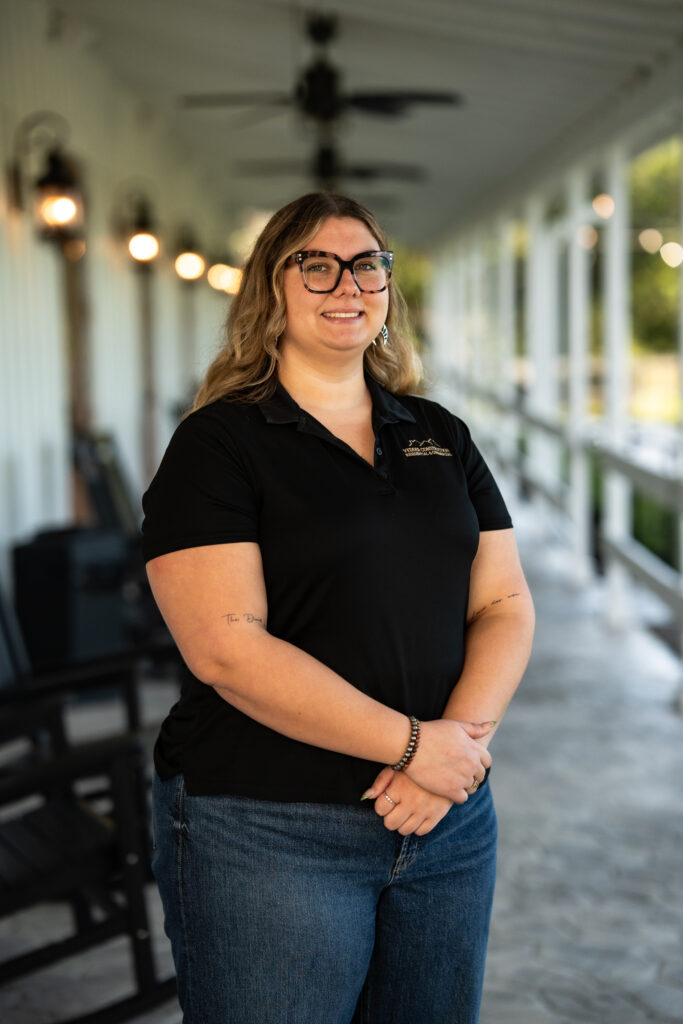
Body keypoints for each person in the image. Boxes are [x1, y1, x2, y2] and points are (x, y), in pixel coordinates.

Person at [141, 191, 535, 1024]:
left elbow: (502, 602)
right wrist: (416, 748)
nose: (347, 284)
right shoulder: (217, 445)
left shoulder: (438, 433)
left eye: (366, 265)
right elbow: (226, 648)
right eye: (315, 265)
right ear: (270, 290)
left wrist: (453, 757)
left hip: (445, 823)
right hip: (267, 827)